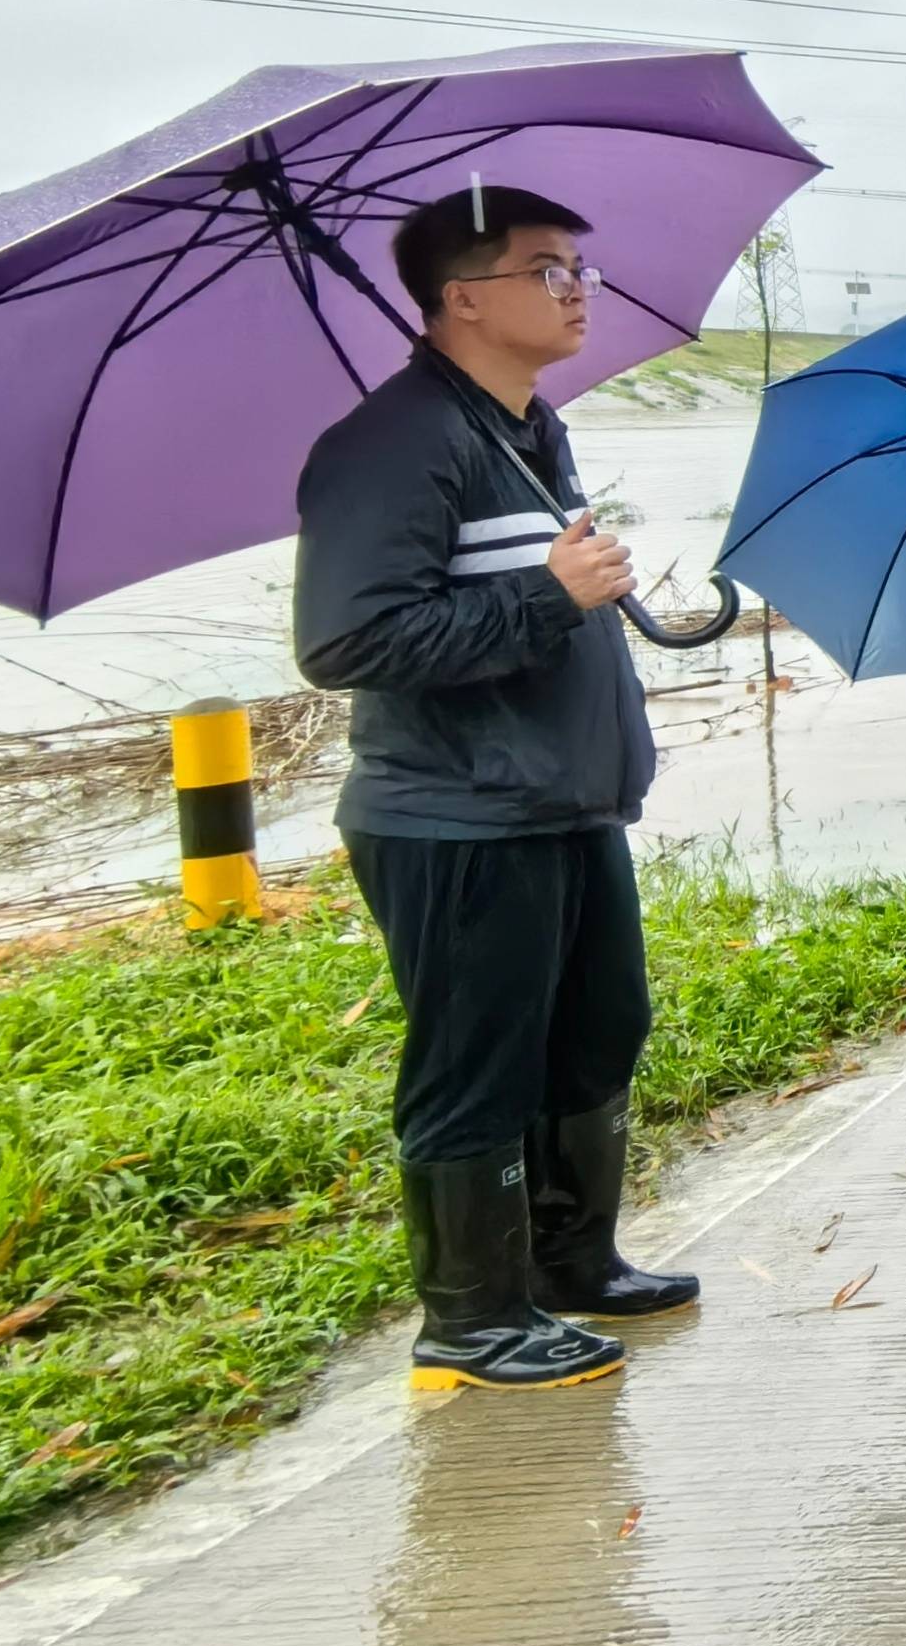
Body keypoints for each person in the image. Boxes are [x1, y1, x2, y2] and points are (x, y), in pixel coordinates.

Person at [294, 184, 689, 1396]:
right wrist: (545, 597)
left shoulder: (524, 429)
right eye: (545, 268)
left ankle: (573, 1263)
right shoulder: (393, 444)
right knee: (479, 1063)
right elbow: (346, 644)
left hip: (562, 802)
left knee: (599, 1027)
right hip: (455, 815)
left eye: (582, 267)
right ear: (462, 298)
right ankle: (470, 1319)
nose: (578, 288)